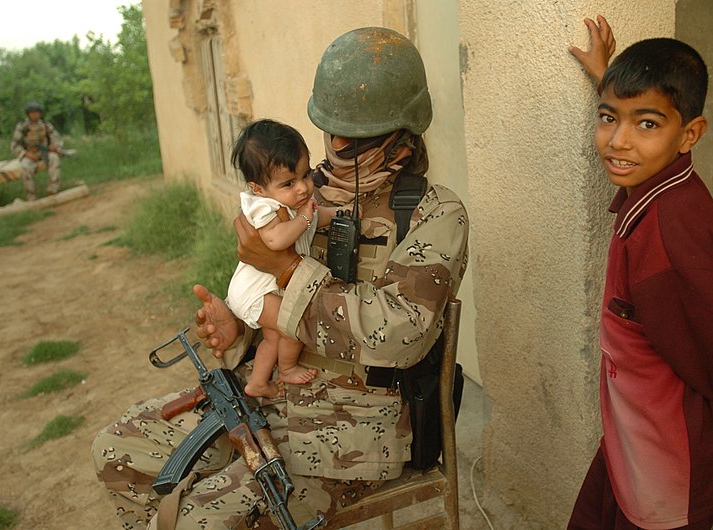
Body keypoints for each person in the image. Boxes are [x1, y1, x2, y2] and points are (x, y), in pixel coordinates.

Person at [92, 26, 468, 529]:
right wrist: (241, 326)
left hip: (354, 428)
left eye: (356, 137)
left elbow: (403, 336)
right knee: (117, 448)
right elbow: (267, 294)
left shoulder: (432, 211)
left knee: (198, 520)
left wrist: (290, 269)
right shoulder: (295, 191)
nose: (337, 145)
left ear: (402, 137)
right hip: (263, 393)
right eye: (331, 130)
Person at [568, 17, 713, 530]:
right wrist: (607, 76)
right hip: (633, 431)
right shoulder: (658, 183)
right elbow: (634, 123)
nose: (618, 142)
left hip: (667, 455)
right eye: (607, 117)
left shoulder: (670, 241)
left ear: (690, 134)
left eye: (647, 124)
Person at [225, 119, 336, 398]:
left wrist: (340, 213)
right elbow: (276, 240)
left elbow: (317, 218)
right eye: (288, 183)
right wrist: (305, 218)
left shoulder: (291, 203)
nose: (302, 188)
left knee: (273, 336)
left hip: (258, 292)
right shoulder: (263, 207)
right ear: (258, 188)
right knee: (291, 324)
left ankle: (258, 382)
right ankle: (286, 369)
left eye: (305, 175)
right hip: (254, 292)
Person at [10, 101, 64, 201]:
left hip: (44, 152)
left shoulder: (46, 125)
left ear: (40, 113)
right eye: (32, 113)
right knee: (25, 167)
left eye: (37, 112)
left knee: (54, 158)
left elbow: (56, 138)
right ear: (28, 114)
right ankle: (31, 196)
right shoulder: (22, 127)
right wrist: (25, 153)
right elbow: (14, 146)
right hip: (29, 154)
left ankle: (53, 188)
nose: (35, 115)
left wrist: (55, 147)